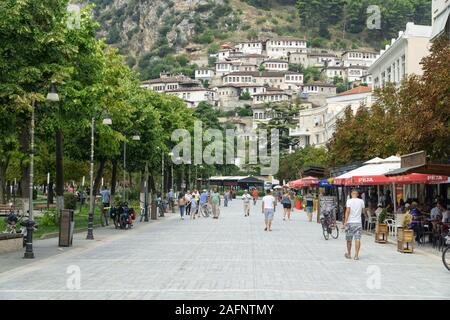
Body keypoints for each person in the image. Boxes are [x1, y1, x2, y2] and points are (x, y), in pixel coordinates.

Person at [343, 189, 365, 260]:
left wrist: (345, 222)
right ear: (357, 194)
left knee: (349, 239)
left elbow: (347, 211)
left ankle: (349, 254)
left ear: (351, 194)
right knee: (357, 239)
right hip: (358, 223)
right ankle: (356, 255)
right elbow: (363, 211)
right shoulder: (361, 201)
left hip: (350, 223)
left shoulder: (349, 201)